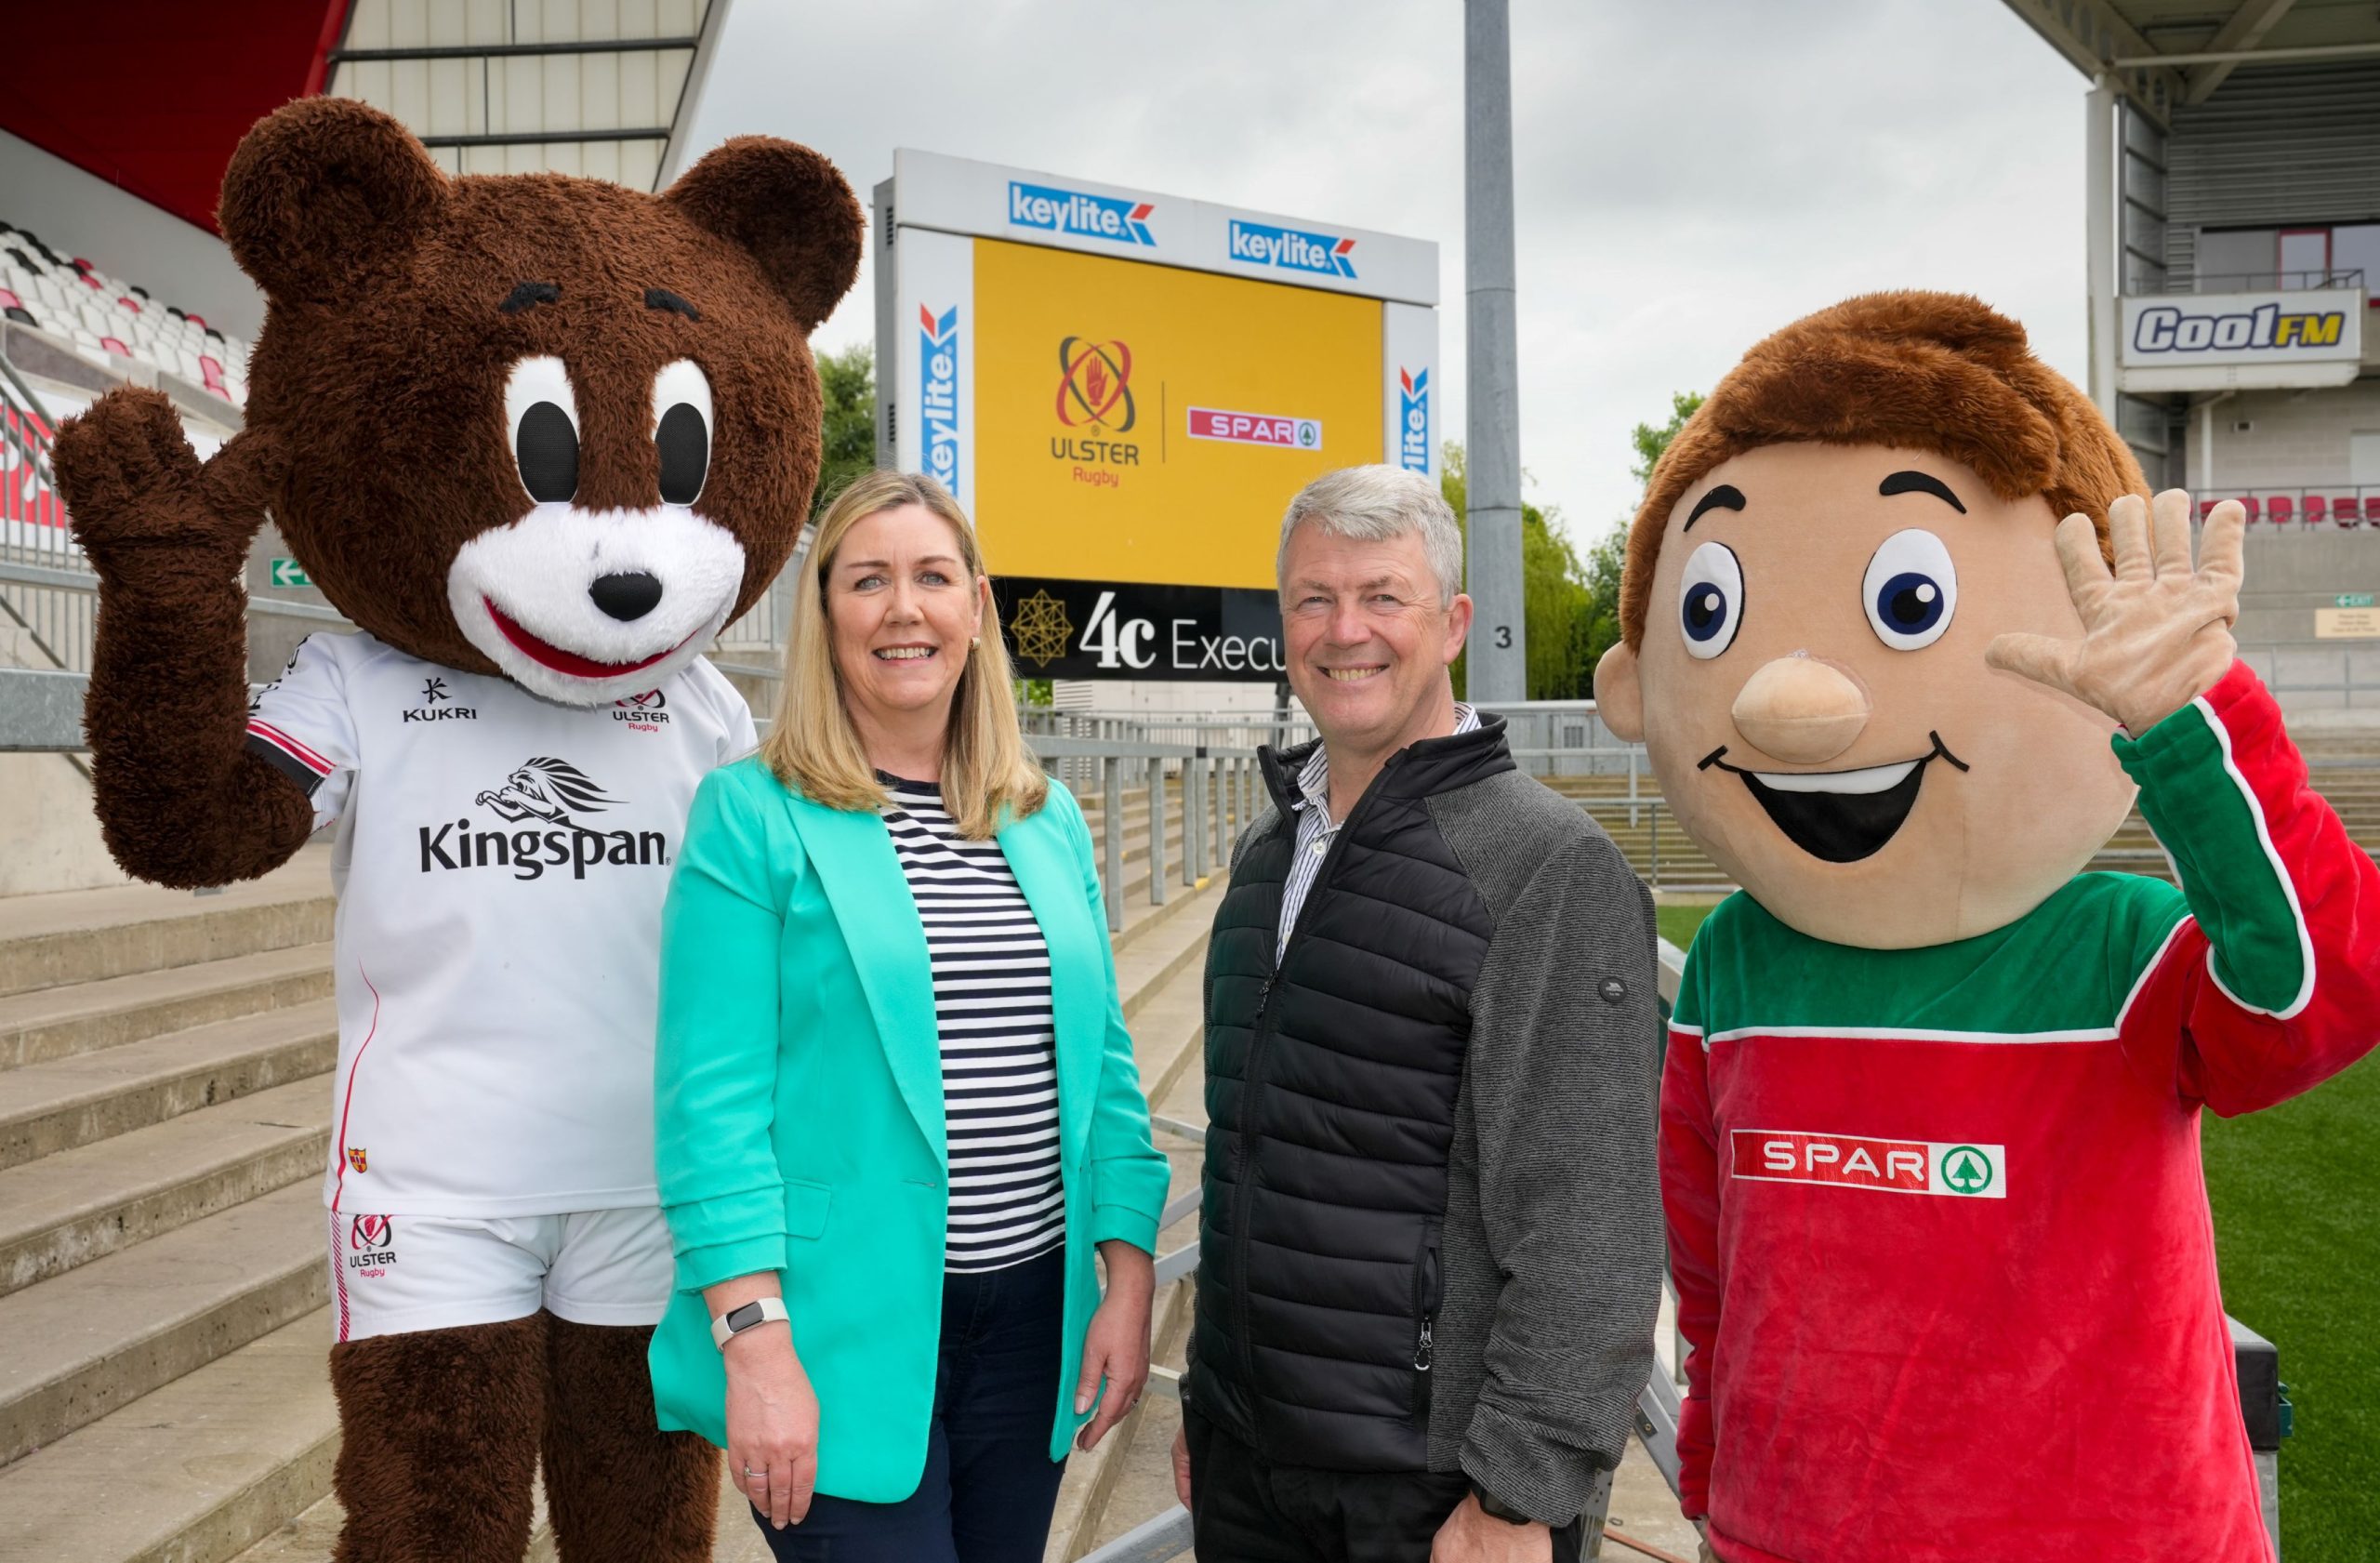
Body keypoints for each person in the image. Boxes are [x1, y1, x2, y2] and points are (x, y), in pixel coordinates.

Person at [1592, 291, 2380, 1561]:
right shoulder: (1736, 959)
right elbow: (1712, 1267)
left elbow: (2321, 995)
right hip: (1790, 1530)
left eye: (1911, 599)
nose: (1799, 700)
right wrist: (1716, 1466)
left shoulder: (2123, 950)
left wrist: (2194, 716)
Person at [646, 470, 1171, 1563]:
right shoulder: (750, 815)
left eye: (932, 577)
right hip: (834, 1333)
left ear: (975, 610)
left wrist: (1125, 1277)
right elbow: (712, 1109)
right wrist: (754, 1344)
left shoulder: (1043, 816)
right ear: (824, 613)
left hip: (1031, 1323)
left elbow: (1104, 1069)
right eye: (867, 580)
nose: (903, 608)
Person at [1170, 464, 1664, 1563]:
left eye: (1382, 596)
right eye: (1314, 598)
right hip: (1254, 1461)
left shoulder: (1546, 865)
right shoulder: (1266, 855)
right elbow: (1253, 1158)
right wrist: (1214, 1400)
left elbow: (1591, 1220)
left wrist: (1521, 1494)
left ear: (1451, 625)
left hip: (1437, 1496)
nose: (1346, 630)